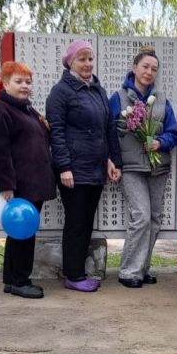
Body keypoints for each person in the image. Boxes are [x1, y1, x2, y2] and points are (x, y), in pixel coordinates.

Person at [46, 39, 122, 293]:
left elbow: (107, 129)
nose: (88, 64)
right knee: (76, 222)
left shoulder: (98, 91)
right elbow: (55, 132)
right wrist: (64, 166)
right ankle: (74, 275)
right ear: (70, 62)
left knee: (86, 221)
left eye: (90, 58)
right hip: (73, 171)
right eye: (82, 59)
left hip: (96, 169)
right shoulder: (61, 92)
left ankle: (77, 270)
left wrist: (112, 160)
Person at [0, 60, 56, 299]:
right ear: (5, 83)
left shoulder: (27, 110)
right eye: (18, 81)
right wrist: (5, 185)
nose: (25, 86)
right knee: (22, 232)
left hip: (33, 183)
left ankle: (11, 278)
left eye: (28, 82)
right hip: (19, 185)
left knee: (22, 232)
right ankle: (20, 280)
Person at [109, 47, 177, 288]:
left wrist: (159, 142)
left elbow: (174, 133)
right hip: (130, 168)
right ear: (134, 68)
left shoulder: (161, 100)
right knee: (141, 216)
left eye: (154, 69)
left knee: (155, 218)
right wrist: (113, 162)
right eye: (145, 67)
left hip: (158, 167)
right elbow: (108, 133)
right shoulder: (118, 98)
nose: (149, 72)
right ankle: (128, 270)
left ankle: (143, 268)